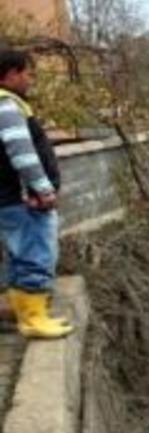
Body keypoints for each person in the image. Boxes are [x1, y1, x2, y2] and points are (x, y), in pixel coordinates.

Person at [0, 49, 72, 339]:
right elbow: (21, 152)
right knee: (35, 256)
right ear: (11, 73)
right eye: (28, 74)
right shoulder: (7, 105)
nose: (30, 80)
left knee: (20, 258)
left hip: (11, 199)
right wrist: (43, 189)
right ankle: (34, 319)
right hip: (24, 199)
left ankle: (24, 315)